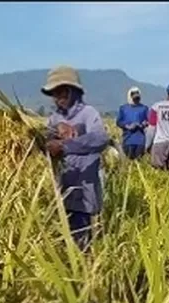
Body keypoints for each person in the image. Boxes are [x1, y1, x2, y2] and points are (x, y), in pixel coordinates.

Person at [42, 66, 109, 251]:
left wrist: (64, 146)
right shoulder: (54, 119)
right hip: (62, 190)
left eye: (62, 92)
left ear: (73, 91)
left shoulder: (88, 114)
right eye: (55, 93)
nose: (58, 97)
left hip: (84, 191)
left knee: (83, 245)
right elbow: (44, 142)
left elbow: (100, 138)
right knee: (66, 242)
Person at [116, 87, 149, 160]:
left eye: (137, 98)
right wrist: (127, 126)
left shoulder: (144, 108)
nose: (136, 99)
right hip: (128, 140)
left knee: (138, 162)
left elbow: (148, 121)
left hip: (140, 141)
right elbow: (118, 122)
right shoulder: (123, 108)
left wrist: (144, 124)